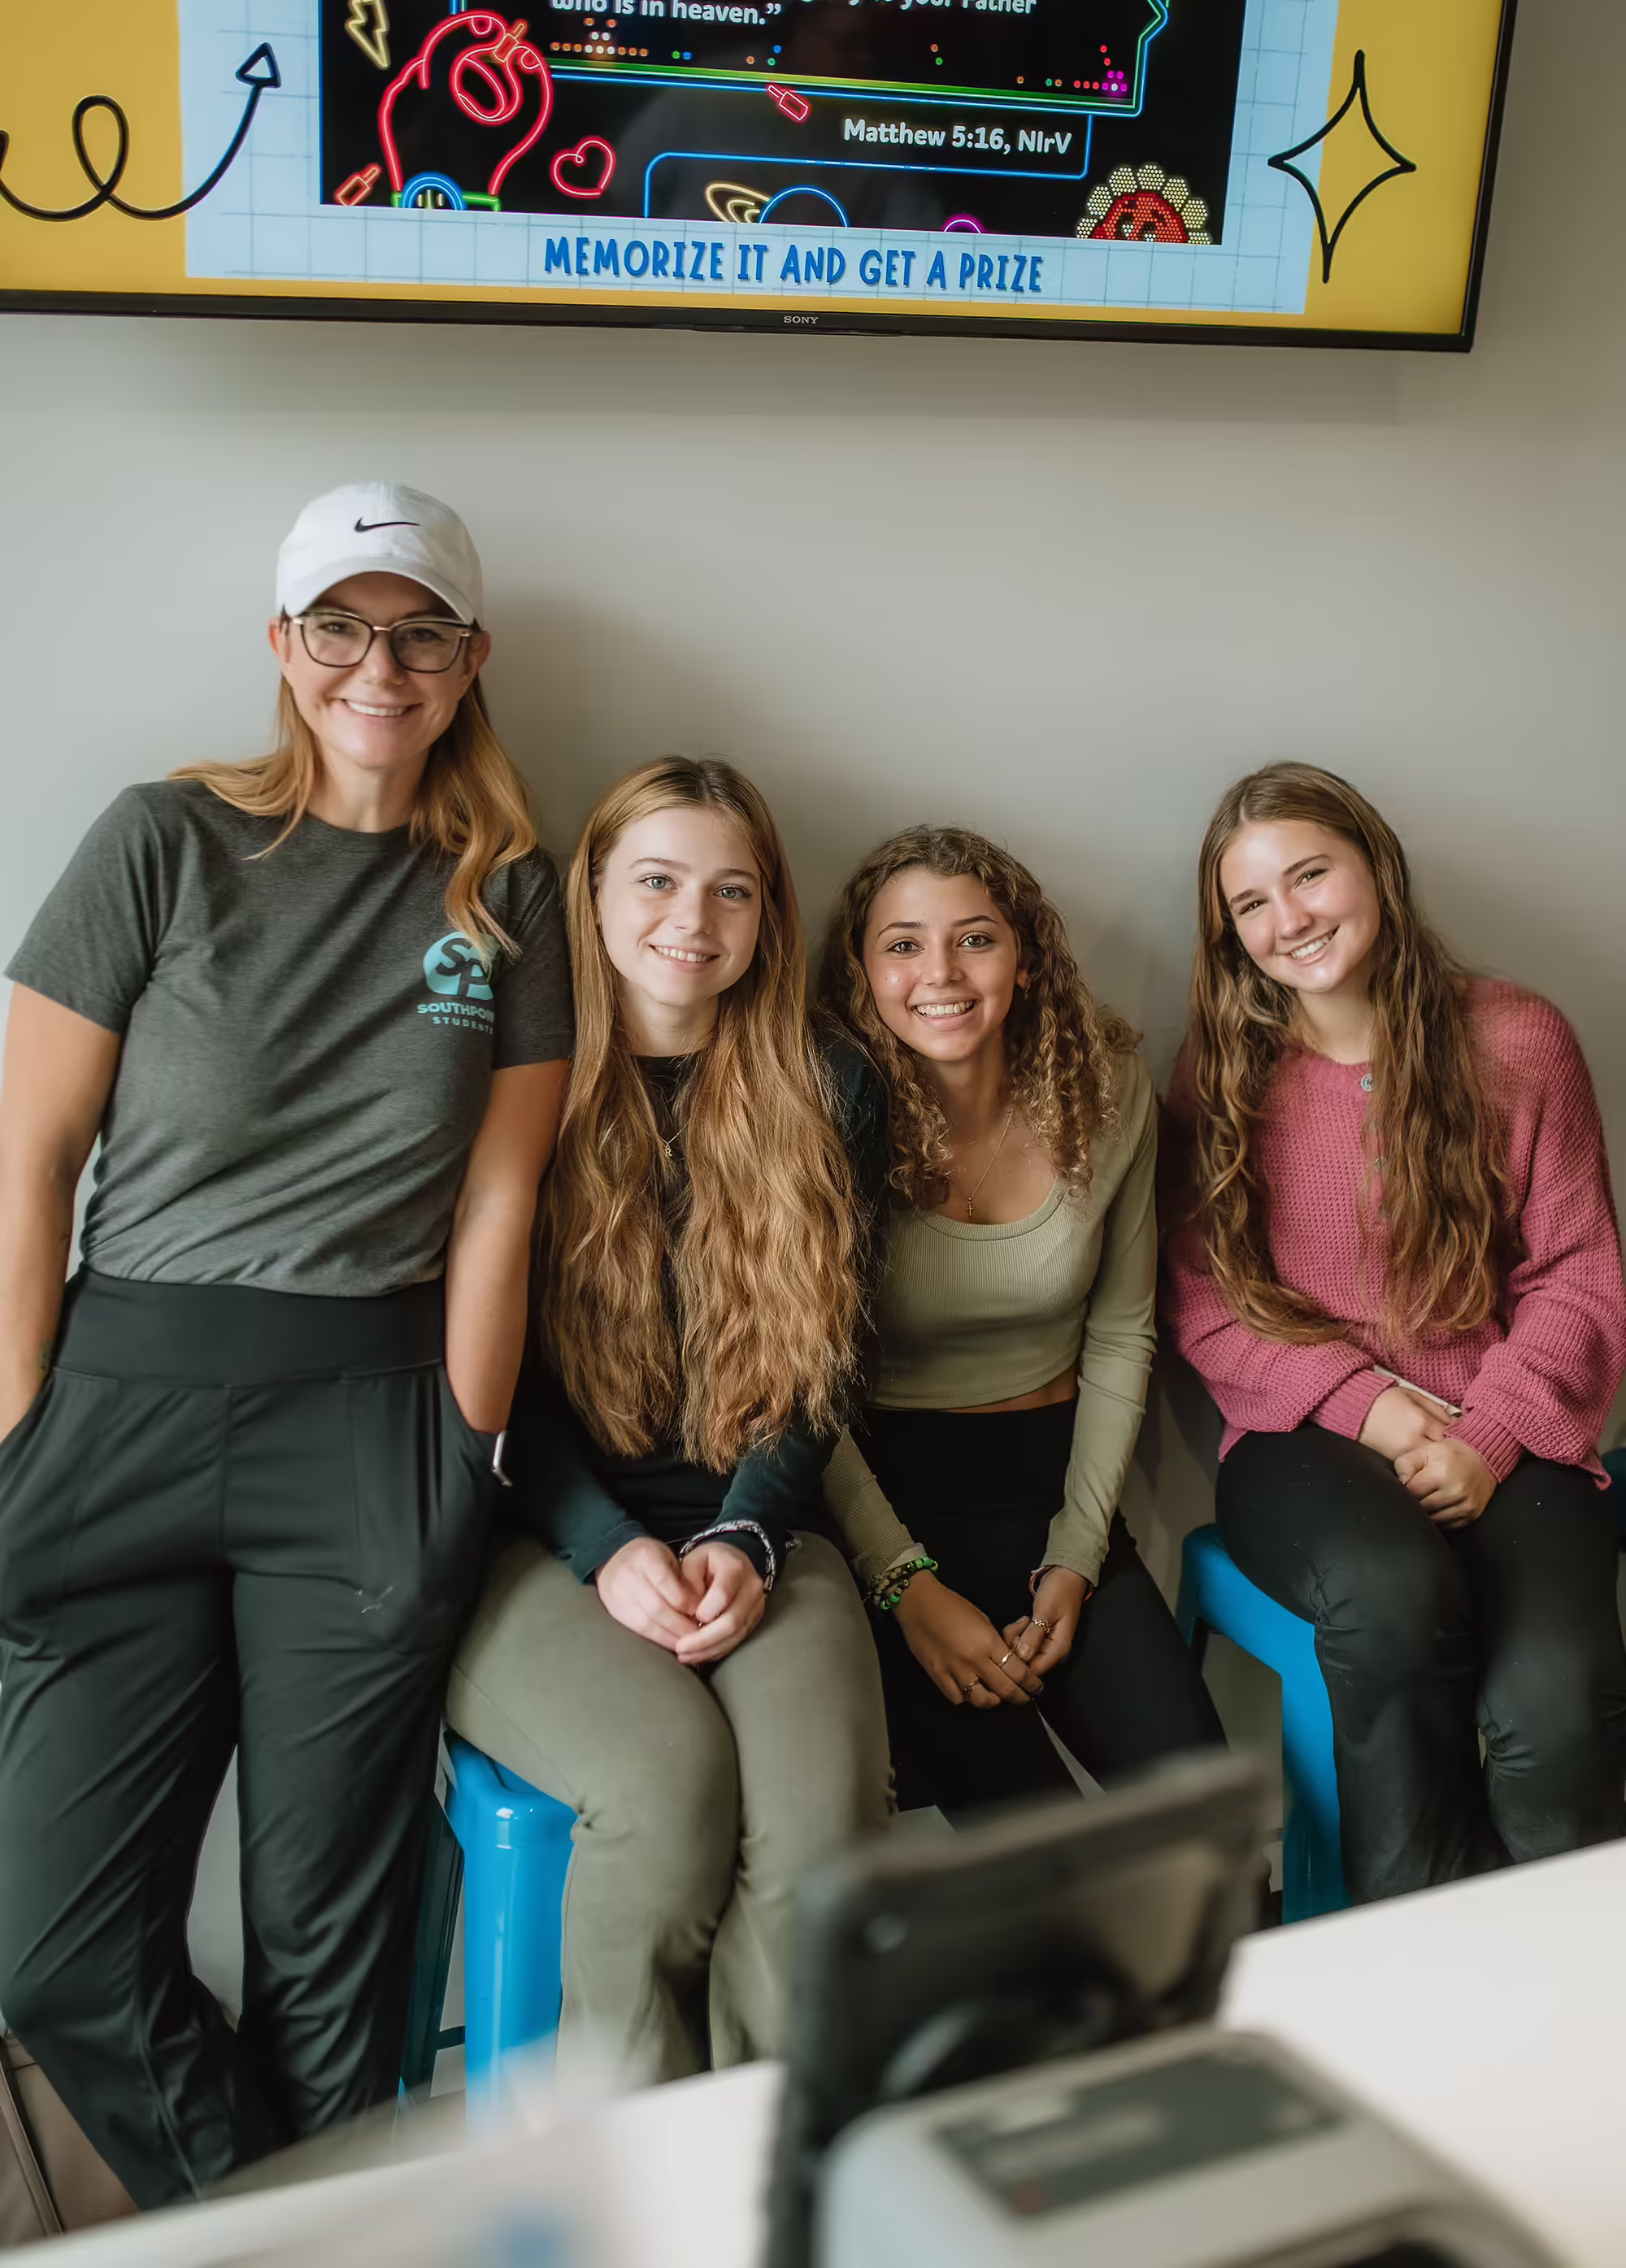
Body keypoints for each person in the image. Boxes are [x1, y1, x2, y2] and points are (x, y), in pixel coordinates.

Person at [0, 484, 572, 2203]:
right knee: (55, 1950)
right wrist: (19, 1436)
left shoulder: (511, 894)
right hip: (122, 1413)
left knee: (330, 1959)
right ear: (283, 647)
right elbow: (27, 1160)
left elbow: (498, 1205)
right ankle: (287, 2231)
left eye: (415, 632)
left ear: (470, 661)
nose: (375, 666)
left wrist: (461, 1457)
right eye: (339, 626)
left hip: (372, 1432)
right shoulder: (158, 840)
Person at [447, 757, 892, 2084]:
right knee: (665, 1792)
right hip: (539, 1540)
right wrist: (606, 1548)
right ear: (592, 894)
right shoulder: (513, 1078)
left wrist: (750, 1538)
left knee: (817, 1840)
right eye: (656, 880)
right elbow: (493, 1375)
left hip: (761, 1530)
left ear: (766, 918)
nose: (692, 920)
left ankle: (772, 2162)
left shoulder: (827, 1085)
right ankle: (635, 2158)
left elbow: (825, 1362)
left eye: (731, 891)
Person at [1163, 760, 1626, 1903]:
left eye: (1310, 874)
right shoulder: (1221, 1075)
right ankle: (1414, 1960)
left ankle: (1567, 1990)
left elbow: (1579, 1275)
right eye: (1251, 905)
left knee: (1555, 1711)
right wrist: (1372, 1407)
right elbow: (1205, 1302)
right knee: (1393, 1598)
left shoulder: (1519, 1040)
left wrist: (1488, 1437)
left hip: (1506, 1429)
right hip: (1302, 1442)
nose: (1289, 920)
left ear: (1377, 865)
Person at [820, 826, 1224, 1824]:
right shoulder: (817, 1114)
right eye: (902, 945)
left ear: (1026, 954)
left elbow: (1122, 1334)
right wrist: (903, 1587)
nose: (940, 973)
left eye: (975, 939)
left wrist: (1078, 1553)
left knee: (1205, 1823)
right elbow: (791, 1379)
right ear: (860, 971)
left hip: (1050, 1494)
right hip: (874, 1509)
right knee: (1042, 1851)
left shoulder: (1109, 1090)